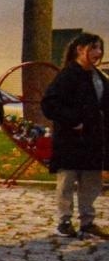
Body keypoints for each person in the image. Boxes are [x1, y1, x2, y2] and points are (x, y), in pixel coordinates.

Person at [42, 32, 108, 239]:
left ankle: (87, 221)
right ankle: (64, 221)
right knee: (67, 182)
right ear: (80, 49)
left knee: (91, 181)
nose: (98, 53)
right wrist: (73, 120)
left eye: (100, 48)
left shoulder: (99, 77)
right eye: (94, 48)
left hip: (93, 139)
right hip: (71, 140)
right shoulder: (67, 75)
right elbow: (50, 104)